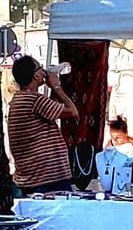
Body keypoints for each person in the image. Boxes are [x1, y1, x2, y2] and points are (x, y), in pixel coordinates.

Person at [5, 54, 79, 194]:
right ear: (36, 76)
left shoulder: (19, 99)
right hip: (47, 179)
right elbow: (73, 112)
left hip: (33, 177)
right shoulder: (34, 100)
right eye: (40, 68)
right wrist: (56, 87)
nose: (44, 72)